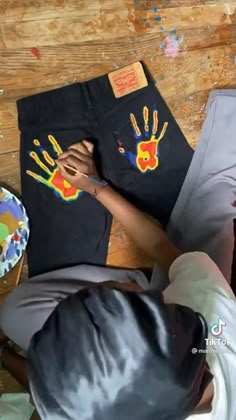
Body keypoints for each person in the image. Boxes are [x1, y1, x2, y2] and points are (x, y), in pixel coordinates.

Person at [0, 140, 235, 420]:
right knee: (14, 313)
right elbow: (161, 247)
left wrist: (4, 356)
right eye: (128, 293)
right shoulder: (212, 308)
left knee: (14, 313)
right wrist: (94, 185)